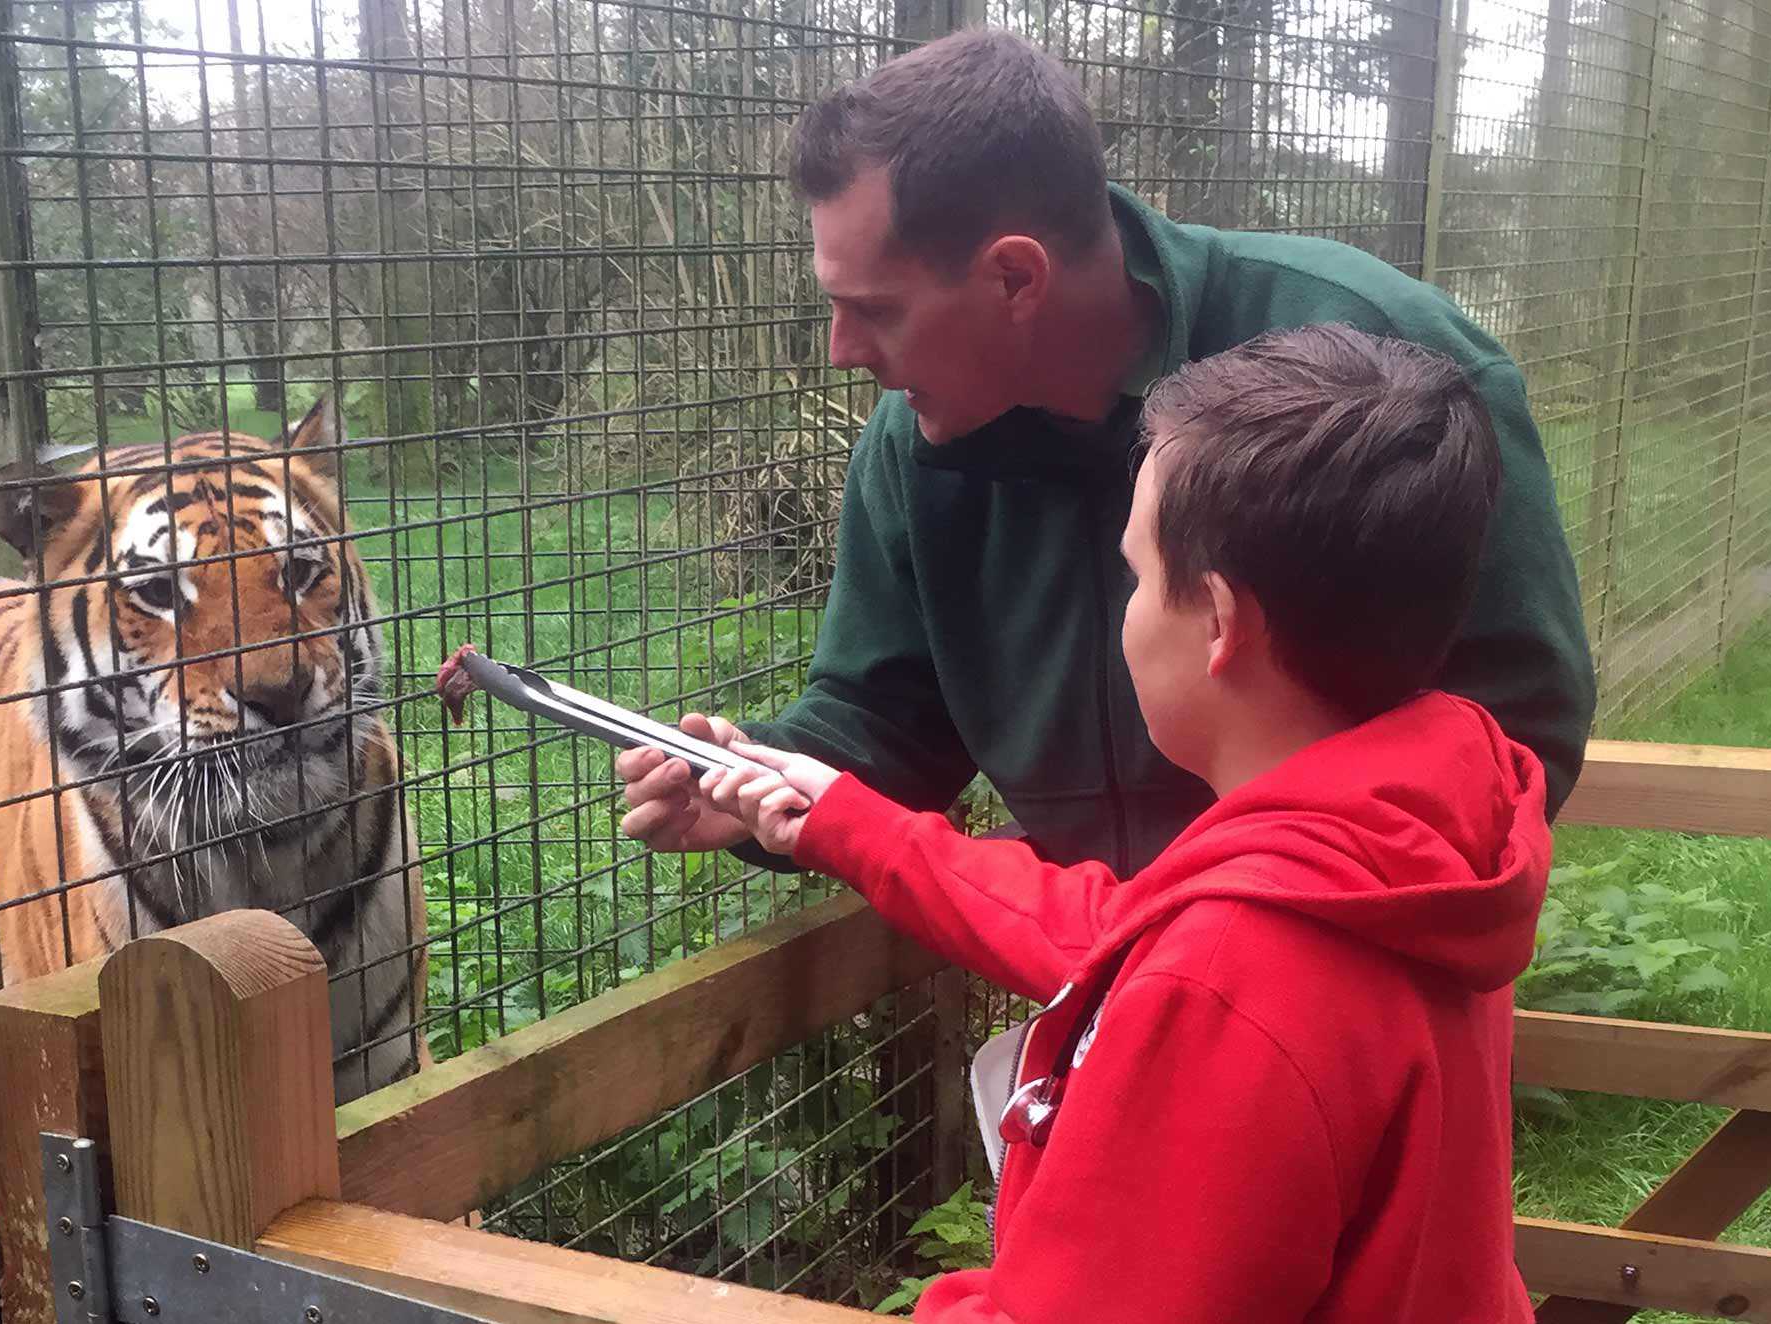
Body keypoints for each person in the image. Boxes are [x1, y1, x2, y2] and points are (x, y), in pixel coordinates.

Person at [697, 325, 1547, 1323]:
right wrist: (837, 815)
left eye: (1137, 575)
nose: (1127, 612)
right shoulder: (1412, 837)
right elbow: (1116, 929)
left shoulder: (1228, 984)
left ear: (1220, 623)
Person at [616, 26, 1593, 876]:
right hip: (1093, 973)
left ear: (1012, 278)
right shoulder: (915, 443)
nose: (840, 351)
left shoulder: (1382, 359)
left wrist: (1240, 930)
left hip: (1332, 980)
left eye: (873, 309)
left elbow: (1515, 723)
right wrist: (753, 779)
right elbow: (886, 716)